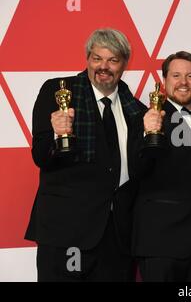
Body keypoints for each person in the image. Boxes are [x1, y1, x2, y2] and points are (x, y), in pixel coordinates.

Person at [25, 28, 146, 281]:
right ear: (87, 59)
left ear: (124, 64)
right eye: (97, 58)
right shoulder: (59, 92)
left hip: (116, 237)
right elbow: (41, 156)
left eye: (113, 60)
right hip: (66, 231)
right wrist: (58, 136)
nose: (104, 66)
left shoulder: (137, 110)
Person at [132, 51, 191, 282]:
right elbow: (136, 169)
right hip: (161, 241)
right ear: (164, 81)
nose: (183, 82)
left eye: (190, 76)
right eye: (176, 75)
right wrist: (148, 133)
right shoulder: (147, 117)